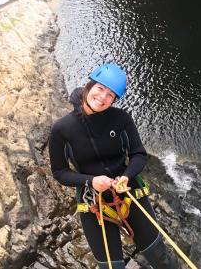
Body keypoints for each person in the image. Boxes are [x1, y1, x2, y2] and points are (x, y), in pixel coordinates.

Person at [48, 63, 180, 269]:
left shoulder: (121, 119)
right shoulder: (62, 129)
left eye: (110, 95)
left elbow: (138, 154)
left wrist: (126, 176)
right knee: (111, 267)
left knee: (160, 256)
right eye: (100, 88)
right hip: (93, 200)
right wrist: (90, 181)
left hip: (128, 189)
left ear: (114, 100)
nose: (102, 97)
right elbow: (59, 172)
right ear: (89, 86)